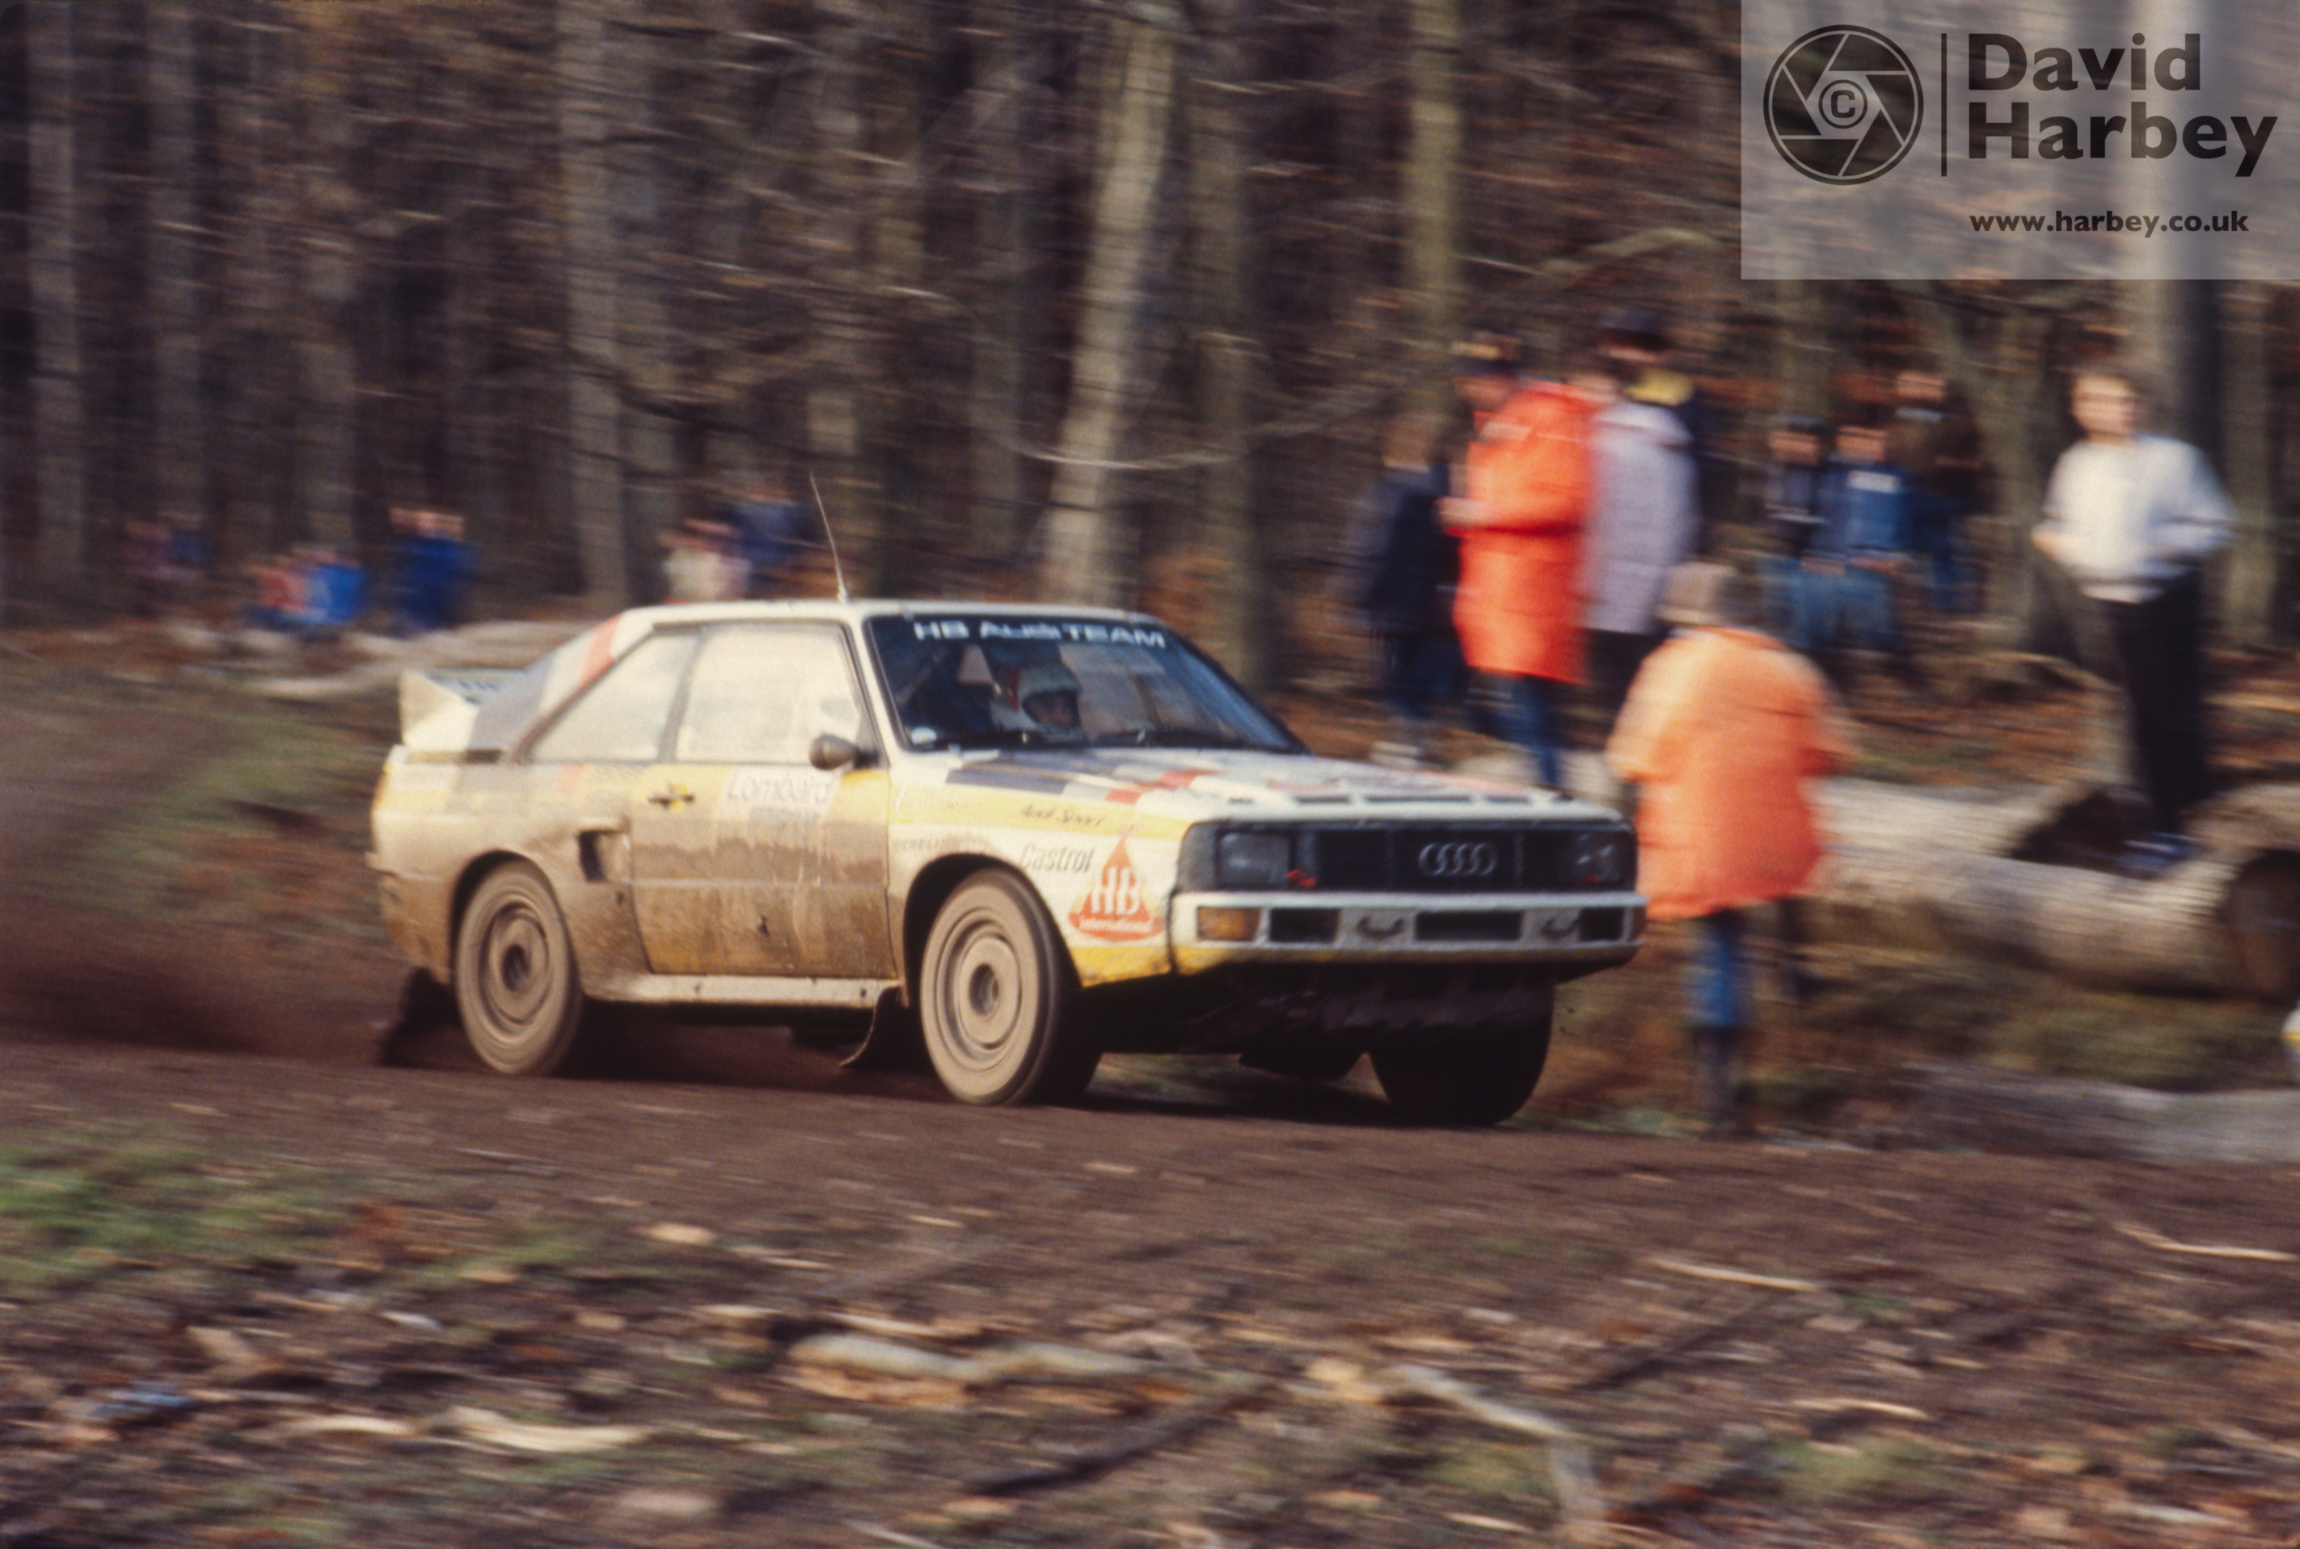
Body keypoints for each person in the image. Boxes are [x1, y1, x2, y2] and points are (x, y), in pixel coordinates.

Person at [1606, 561, 1854, 1136]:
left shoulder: (1673, 668)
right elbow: (1833, 753)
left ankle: (1718, 1095)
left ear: (1688, 616)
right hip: (1780, 839)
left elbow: (1632, 756)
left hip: (1702, 837)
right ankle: (1797, 974)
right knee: (1776, 888)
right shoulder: (1789, 666)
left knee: (1719, 946)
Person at [2033, 364, 2230, 871]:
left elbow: (2214, 523)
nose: (2116, 410)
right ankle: (2168, 817)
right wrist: (2069, 548)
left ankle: (2172, 826)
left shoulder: (2176, 460)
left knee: (2166, 709)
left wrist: (2163, 549)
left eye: (2127, 401)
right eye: (2099, 400)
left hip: (2166, 598)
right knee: (2143, 712)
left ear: (2142, 407)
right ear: (2079, 408)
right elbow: (2059, 524)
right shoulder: (2075, 463)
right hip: (2112, 602)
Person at [1442, 332, 1597, 788]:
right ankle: (1547, 794)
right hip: (1498, 589)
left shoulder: (1550, 419)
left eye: (1483, 379)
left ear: (1508, 377)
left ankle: (1555, 802)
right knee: (1504, 705)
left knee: (1532, 710)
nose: (1473, 389)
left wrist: (1484, 515)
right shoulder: (1497, 426)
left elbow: (1568, 501)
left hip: (1529, 590)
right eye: (1469, 380)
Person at [1579, 356, 1700, 730]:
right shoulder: (1671, 445)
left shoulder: (1606, 439)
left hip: (1609, 575)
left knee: (1618, 678)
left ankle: (1627, 762)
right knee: (1639, 678)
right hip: (1644, 576)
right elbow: (1678, 519)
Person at [1356, 410, 1462, 768]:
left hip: (1396, 600)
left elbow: (1375, 547)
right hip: (1440, 603)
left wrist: (1362, 591)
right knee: (1420, 679)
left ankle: (1409, 742)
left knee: (1399, 678)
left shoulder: (1391, 491)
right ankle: (1418, 737)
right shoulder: (1453, 491)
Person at [1598, 306, 1725, 550]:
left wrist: (1702, 528)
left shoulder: (1685, 394)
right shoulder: (1598, 388)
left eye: (1645, 347)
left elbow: (1702, 467)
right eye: (1624, 345)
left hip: (1655, 517)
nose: (1633, 355)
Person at [1801, 414, 1912, 674]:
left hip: (1874, 566)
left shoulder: (1895, 477)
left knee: (1883, 631)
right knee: (1820, 628)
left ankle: (1906, 673)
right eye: (1851, 437)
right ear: (1840, 439)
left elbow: (1904, 524)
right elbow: (1818, 519)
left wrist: (1896, 558)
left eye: (1869, 438)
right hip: (1828, 563)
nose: (1859, 444)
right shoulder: (1825, 472)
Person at [1892, 369, 1983, 614]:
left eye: (1932, 385)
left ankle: (1951, 599)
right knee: (1923, 544)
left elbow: (1961, 458)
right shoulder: (1905, 415)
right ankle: (1931, 596)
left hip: (1946, 494)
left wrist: (1941, 467)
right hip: (1915, 492)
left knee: (1946, 547)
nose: (1923, 390)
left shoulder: (1957, 418)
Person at [1760, 415, 1829, 634]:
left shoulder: (1826, 476)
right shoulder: (1773, 470)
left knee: (1804, 623)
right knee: (1775, 617)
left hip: (1810, 559)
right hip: (1776, 554)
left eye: (1808, 441)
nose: (1800, 447)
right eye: (1795, 440)